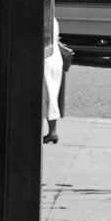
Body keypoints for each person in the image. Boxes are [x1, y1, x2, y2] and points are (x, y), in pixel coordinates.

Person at [43, 17, 64, 145]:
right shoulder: (52, 17)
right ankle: (52, 131)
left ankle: (52, 132)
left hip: (47, 58)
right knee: (51, 95)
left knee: (48, 96)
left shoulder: (44, 16)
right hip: (54, 57)